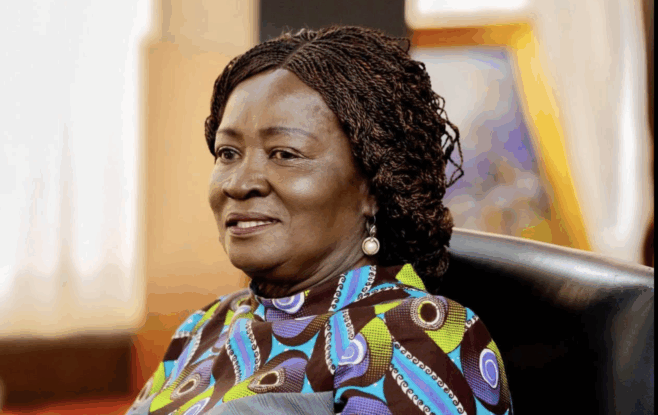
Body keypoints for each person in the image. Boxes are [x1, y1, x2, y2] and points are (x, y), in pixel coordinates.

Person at [127, 25, 513, 415]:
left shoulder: (412, 337)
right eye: (227, 153)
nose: (239, 183)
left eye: (284, 154)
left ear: (373, 186)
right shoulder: (204, 326)